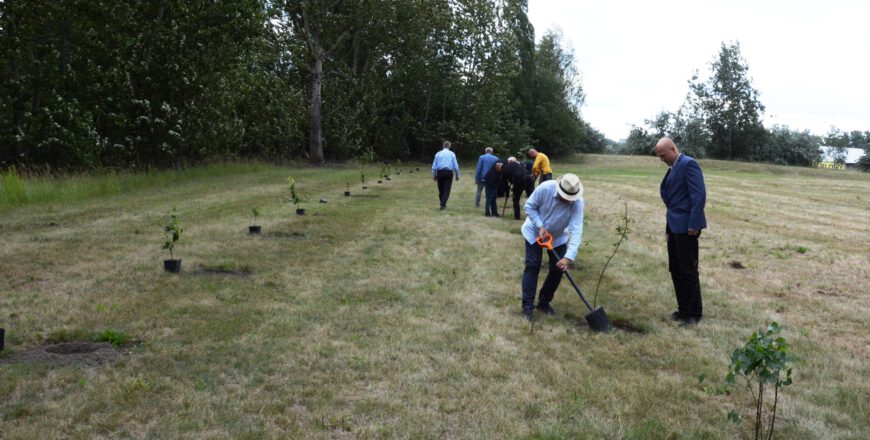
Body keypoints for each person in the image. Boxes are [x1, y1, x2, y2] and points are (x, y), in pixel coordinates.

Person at [655, 137, 707, 326]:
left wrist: (694, 224)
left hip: (687, 228)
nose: (662, 160)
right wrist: (668, 228)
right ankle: (683, 310)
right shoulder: (673, 168)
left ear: (673, 149)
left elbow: (699, 196)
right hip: (674, 227)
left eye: (663, 155)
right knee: (675, 269)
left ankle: (694, 313)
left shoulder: (689, 164)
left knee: (688, 270)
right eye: (659, 157)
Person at [520, 174, 585, 321]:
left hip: (557, 237)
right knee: (533, 265)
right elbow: (529, 206)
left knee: (557, 269)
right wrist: (540, 225)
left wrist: (568, 257)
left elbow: (576, 229)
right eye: (565, 197)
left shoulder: (577, 202)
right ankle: (527, 307)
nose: (567, 200)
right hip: (534, 232)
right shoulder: (545, 188)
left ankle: (544, 303)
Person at [432, 140, 460, 209]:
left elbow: (434, 166)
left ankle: (442, 203)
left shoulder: (438, 154)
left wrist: (434, 175)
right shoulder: (452, 154)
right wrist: (457, 174)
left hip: (440, 172)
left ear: (443, 146)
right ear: (449, 146)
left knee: (440, 189)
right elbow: (456, 166)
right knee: (447, 189)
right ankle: (443, 203)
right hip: (448, 172)